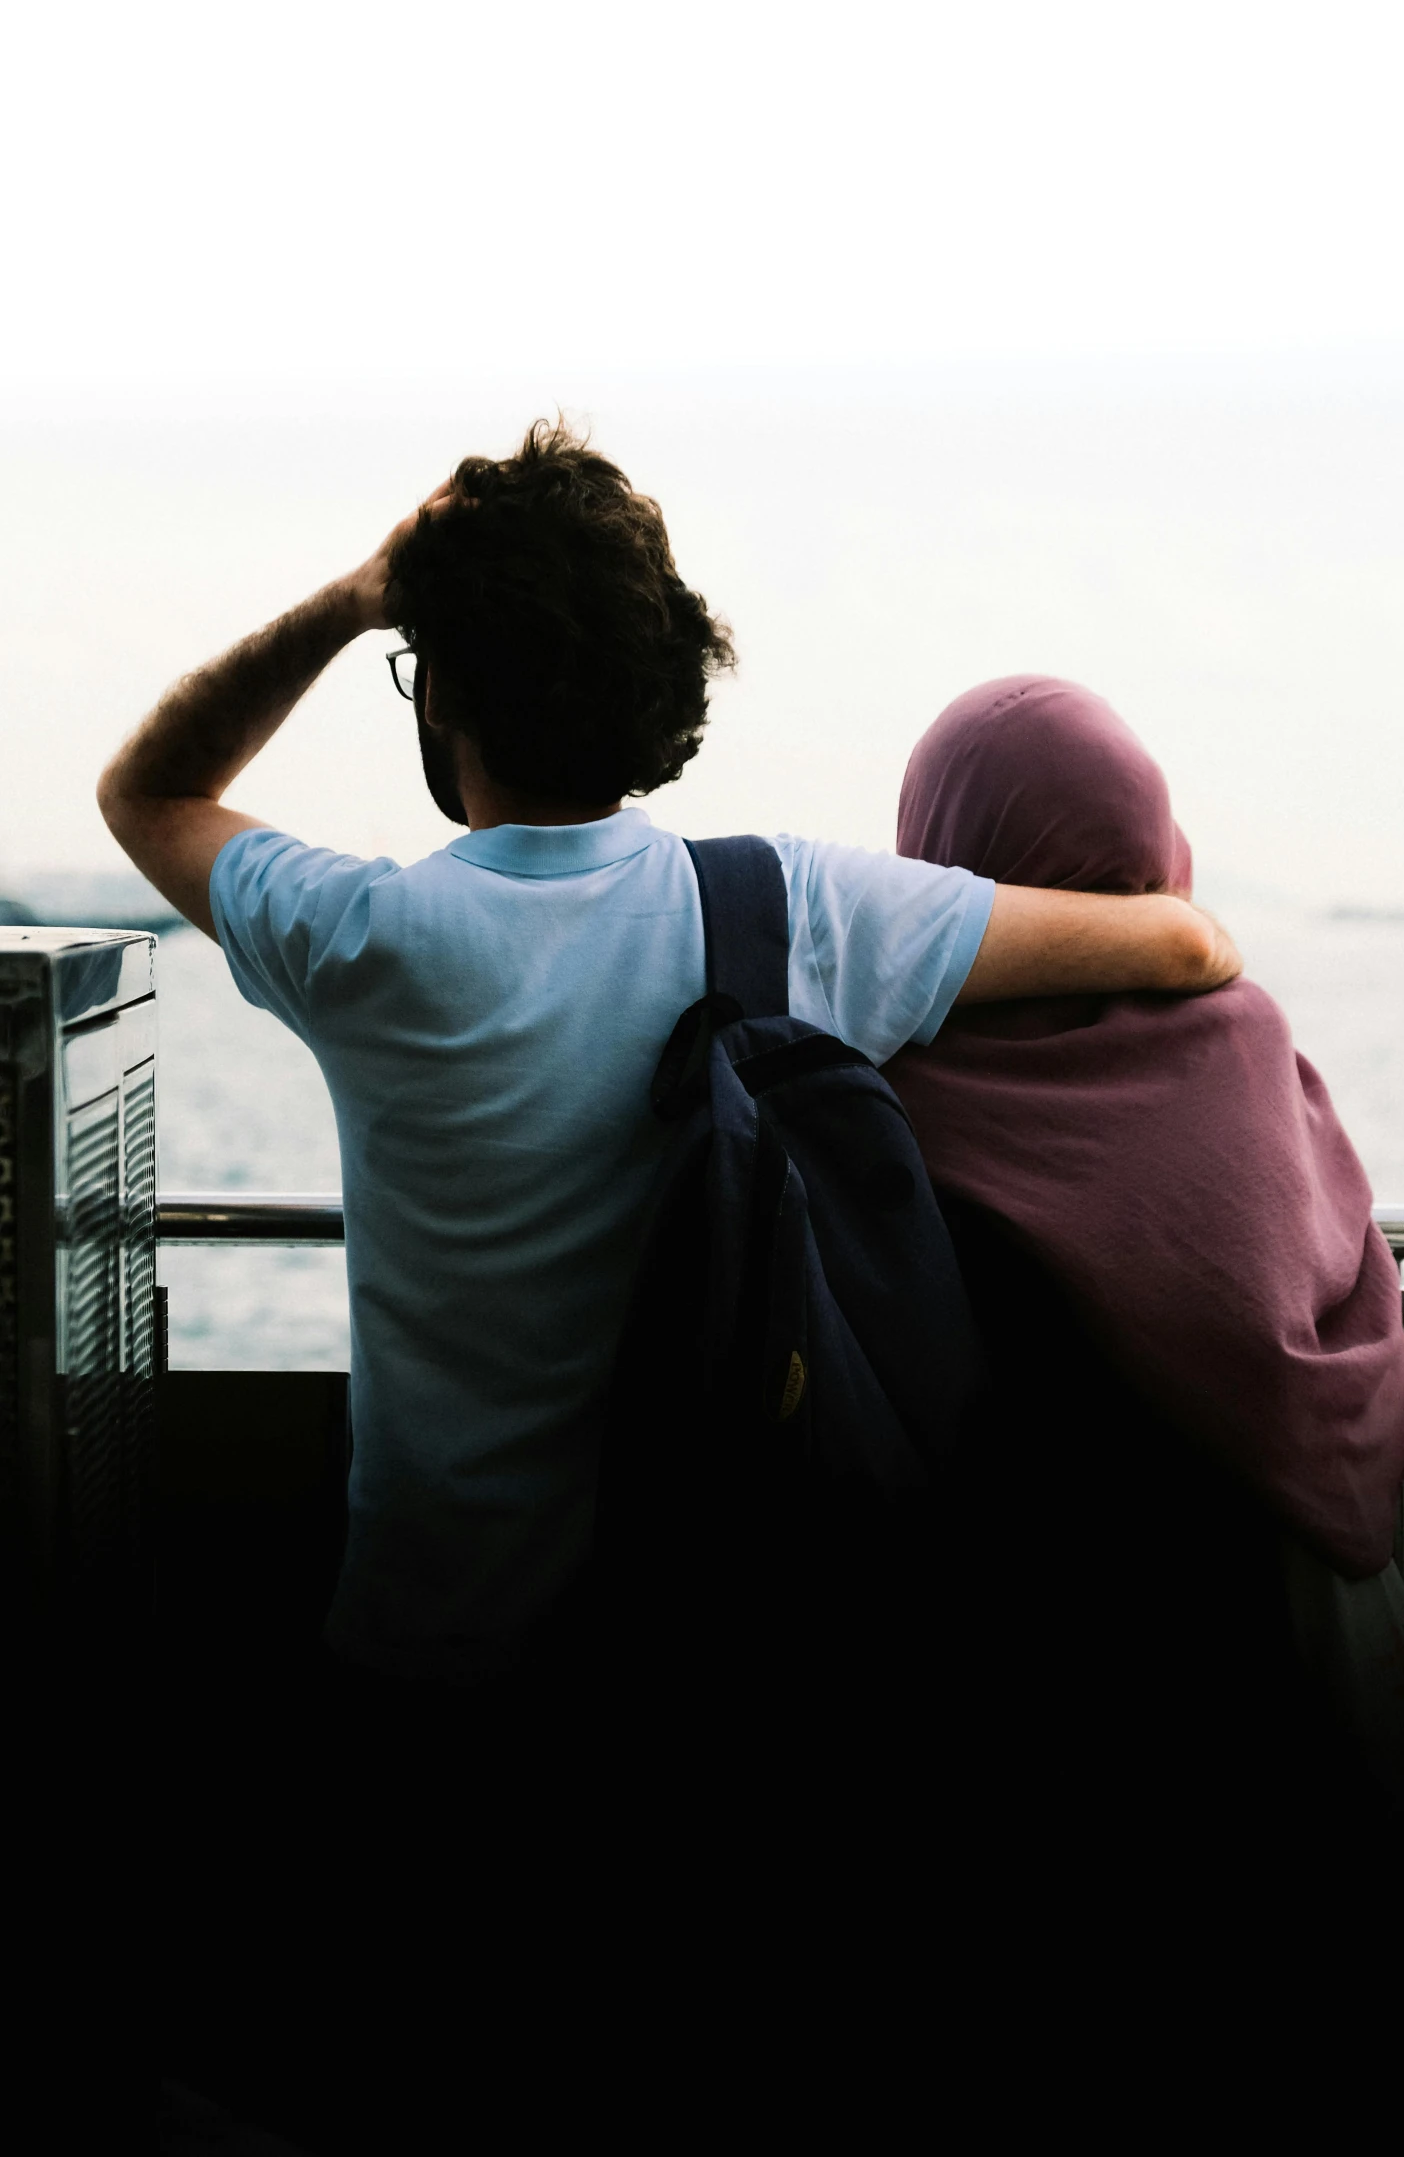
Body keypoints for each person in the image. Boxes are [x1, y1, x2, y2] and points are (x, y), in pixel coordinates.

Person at [99, 422, 1241, 1691]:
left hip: (426, 1652)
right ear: (653, 689)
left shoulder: (365, 940)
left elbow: (147, 791)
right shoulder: (791, 907)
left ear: (445, 701)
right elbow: (1185, 948)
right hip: (715, 1648)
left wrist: (359, 600)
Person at [884, 674, 1404, 1813]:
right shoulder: (1238, 1049)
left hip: (987, 1665)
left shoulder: (886, 1076)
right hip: (1253, 1667)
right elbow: (1313, 1299)